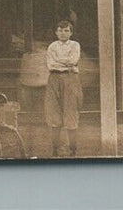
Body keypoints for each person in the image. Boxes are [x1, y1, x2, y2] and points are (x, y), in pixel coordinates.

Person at [45, 19, 83, 157]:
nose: (63, 33)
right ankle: (55, 149)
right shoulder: (52, 46)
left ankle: (73, 149)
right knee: (54, 112)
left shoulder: (75, 45)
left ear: (71, 33)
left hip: (70, 79)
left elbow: (73, 61)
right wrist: (65, 63)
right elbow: (51, 65)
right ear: (56, 32)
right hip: (54, 79)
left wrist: (60, 61)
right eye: (60, 30)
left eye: (66, 30)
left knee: (70, 111)